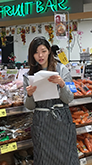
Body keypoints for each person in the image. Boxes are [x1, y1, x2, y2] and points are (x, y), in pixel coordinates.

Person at [23, 36, 79, 165]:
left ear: (49, 51)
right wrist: (29, 95)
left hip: (61, 119)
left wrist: (62, 84)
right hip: (42, 121)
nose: (40, 55)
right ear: (32, 55)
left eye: (43, 51)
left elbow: (69, 98)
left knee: (67, 156)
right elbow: (30, 107)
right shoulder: (28, 76)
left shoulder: (62, 70)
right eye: (36, 52)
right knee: (44, 158)